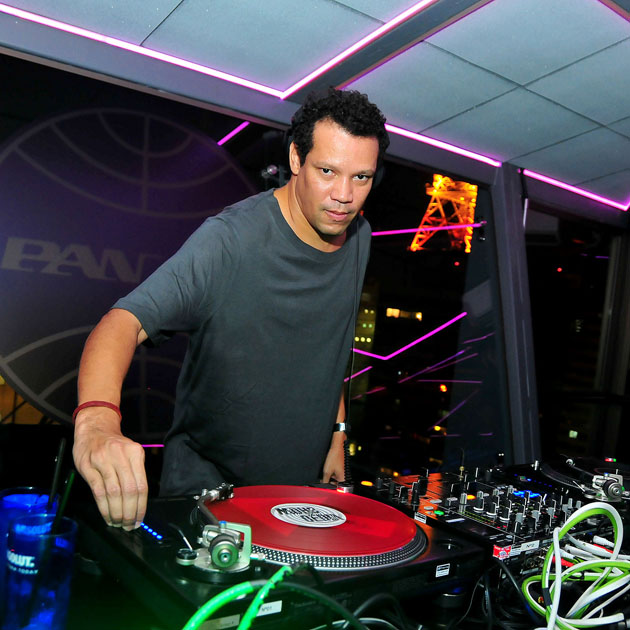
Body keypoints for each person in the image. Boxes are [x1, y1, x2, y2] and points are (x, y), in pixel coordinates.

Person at [72, 88, 389, 531]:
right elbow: (123, 322)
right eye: (327, 171)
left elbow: (330, 341)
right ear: (296, 159)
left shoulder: (360, 236)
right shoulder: (229, 240)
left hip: (298, 495)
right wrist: (96, 423)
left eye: (361, 177)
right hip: (209, 493)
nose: (344, 195)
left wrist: (337, 432)